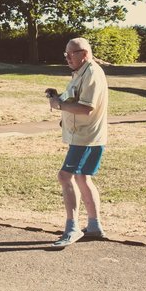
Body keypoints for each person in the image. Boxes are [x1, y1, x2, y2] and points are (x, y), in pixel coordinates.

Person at [45, 38, 109, 248]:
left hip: (86, 137)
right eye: (66, 54)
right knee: (82, 178)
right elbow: (74, 99)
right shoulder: (81, 73)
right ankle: (94, 226)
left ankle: (72, 228)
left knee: (65, 176)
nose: (68, 58)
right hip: (83, 135)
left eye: (72, 53)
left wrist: (59, 104)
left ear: (85, 53)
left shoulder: (91, 74)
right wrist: (58, 99)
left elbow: (86, 108)